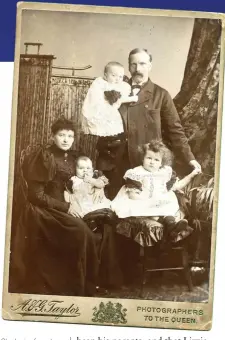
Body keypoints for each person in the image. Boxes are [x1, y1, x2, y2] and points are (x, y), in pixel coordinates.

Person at [9, 117, 121, 297]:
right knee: (81, 230)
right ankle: (77, 284)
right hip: (47, 210)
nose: (66, 139)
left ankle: (100, 280)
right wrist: (66, 207)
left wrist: (97, 184)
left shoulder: (76, 156)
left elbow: (90, 174)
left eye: (70, 135)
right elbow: (36, 196)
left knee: (106, 223)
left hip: (75, 203)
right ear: (53, 136)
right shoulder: (44, 157)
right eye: (61, 135)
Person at [118, 48, 201, 184]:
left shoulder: (161, 94)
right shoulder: (116, 90)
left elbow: (175, 130)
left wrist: (189, 157)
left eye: (143, 64)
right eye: (133, 64)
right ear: (128, 66)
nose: (137, 68)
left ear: (150, 66)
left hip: (146, 161)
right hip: (118, 160)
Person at [112, 140, 200, 239]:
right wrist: (149, 201)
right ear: (142, 159)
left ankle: (172, 226)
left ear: (162, 163)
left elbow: (176, 186)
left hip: (159, 200)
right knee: (150, 211)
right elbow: (132, 195)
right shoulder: (136, 173)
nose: (152, 162)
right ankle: (171, 227)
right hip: (139, 200)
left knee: (167, 209)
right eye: (149, 158)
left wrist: (191, 175)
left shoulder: (165, 172)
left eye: (156, 160)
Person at [81, 61, 138, 198]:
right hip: (105, 112)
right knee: (104, 165)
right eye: (113, 75)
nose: (117, 79)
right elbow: (117, 101)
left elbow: (123, 95)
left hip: (118, 135)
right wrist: (132, 97)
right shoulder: (101, 85)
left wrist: (131, 93)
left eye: (120, 76)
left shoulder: (122, 85)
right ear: (105, 75)